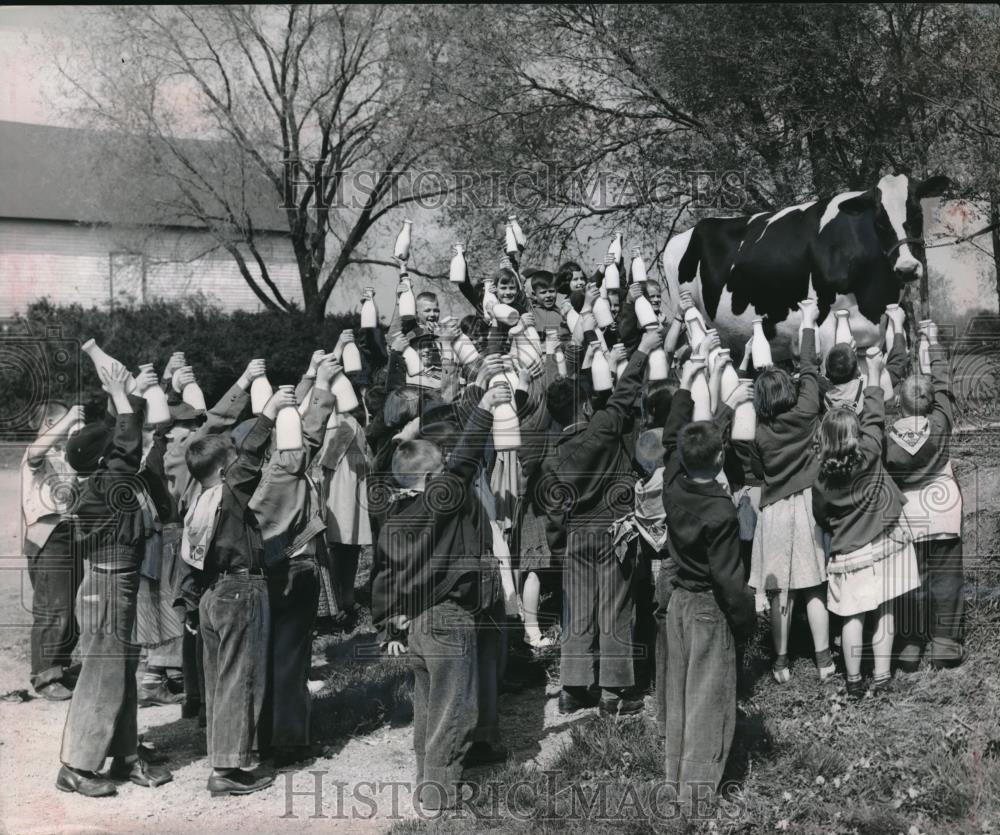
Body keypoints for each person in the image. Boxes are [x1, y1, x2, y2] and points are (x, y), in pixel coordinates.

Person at [372, 383, 511, 812]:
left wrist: (386, 623)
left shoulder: (391, 516)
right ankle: (440, 795)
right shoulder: (439, 504)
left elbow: (382, 577)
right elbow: (467, 458)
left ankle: (425, 782)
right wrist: (484, 410)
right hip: (450, 620)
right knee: (455, 712)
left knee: (428, 708)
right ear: (434, 482)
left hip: (413, 625)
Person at [58, 363, 174, 797]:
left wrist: (133, 394)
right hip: (109, 587)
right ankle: (76, 765)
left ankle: (125, 757)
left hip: (116, 585)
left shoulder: (105, 480)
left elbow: (124, 441)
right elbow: (126, 447)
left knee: (121, 672)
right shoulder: (109, 485)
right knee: (103, 675)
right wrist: (123, 399)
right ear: (103, 461)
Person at [176, 387, 295, 796]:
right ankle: (226, 769)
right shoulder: (229, 493)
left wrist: (188, 604)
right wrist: (269, 413)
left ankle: (230, 753)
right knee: (240, 678)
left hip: (210, 596)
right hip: (241, 589)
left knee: (220, 680)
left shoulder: (197, 503)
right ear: (225, 468)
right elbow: (249, 461)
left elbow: (188, 563)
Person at [541, 325, 663, 717]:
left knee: (577, 609)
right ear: (585, 407)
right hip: (615, 531)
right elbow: (626, 393)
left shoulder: (554, 454)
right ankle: (613, 691)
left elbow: (554, 511)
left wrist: (560, 547)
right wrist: (643, 350)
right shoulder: (604, 429)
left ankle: (573, 688)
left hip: (576, 535)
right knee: (615, 608)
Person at [660, 359, 755, 809]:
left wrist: (685, 386)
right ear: (721, 459)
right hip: (708, 608)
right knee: (707, 703)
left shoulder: (672, 484)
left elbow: (672, 439)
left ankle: (673, 778)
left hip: (677, 601)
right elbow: (728, 578)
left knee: (678, 696)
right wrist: (745, 619)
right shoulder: (720, 513)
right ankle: (696, 800)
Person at [813, 351, 919, 699]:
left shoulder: (821, 480)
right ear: (856, 435)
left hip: (849, 552)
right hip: (885, 541)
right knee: (885, 610)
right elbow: (875, 411)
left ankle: (855, 681)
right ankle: (883, 676)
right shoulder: (871, 449)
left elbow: (822, 517)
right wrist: (873, 373)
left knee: (852, 617)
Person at [251, 358, 340, 767]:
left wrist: (305, 386)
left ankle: (261, 735)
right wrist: (320, 384)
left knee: (268, 657)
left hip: (265, 572)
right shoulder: (289, 468)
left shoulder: (260, 469)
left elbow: (301, 436)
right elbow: (310, 437)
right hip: (296, 570)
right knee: (291, 659)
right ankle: (289, 739)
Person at [740, 304, 832, 683]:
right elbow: (809, 366)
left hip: (775, 510)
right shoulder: (808, 407)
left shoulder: (756, 431)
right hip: (810, 505)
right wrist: (808, 323)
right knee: (814, 586)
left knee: (781, 592)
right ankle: (825, 661)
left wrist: (744, 364)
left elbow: (756, 473)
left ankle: (780, 663)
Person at [885, 320, 965, 670]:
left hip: (909, 517)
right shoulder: (941, 422)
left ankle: (910, 645)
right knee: (946, 577)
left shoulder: (887, 440)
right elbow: (945, 384)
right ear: (932, 404)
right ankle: (945, 642)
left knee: (910, 579)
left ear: (899, 408)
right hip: (944, 508)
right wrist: (932, 342)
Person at [21, 401, 84, 701]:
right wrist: (70, 418)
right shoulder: (36, 453)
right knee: (52, 609)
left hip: (68, 533)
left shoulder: (65, 455)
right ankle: (44, 675)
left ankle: (60, 666)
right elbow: (36, 451)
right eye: (61, 423)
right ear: (48, 425)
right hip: (47, 536)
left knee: (68, 609)